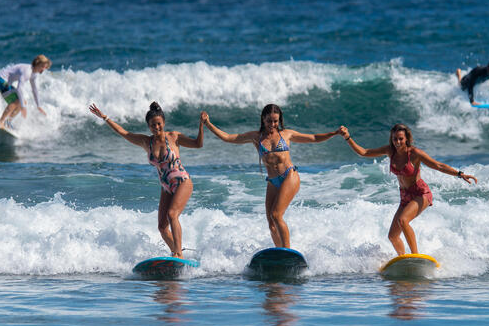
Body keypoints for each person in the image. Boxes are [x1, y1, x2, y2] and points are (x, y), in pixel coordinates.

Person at [201, 104, 341, 249]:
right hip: (273, 181)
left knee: (276, 215)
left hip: (289, 176)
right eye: (269, 121)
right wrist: (208, 124)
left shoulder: (286, 134)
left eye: (276, 121)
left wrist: (334, 133)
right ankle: (280, 252)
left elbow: (313, 137)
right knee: (271, 223)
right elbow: (229, 138)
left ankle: (287, 251)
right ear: (263, 119)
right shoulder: (256, 137)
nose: (272, 125)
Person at [339, 123, 477, 255]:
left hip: (421, 193)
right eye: (395, 139)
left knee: (403, 220)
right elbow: (364, 152)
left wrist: (459, 174)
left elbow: (438, 165)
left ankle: (415, 256)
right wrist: (347, 138)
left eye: (401, 139)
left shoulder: (415, 153)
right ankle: (402, 259)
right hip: (405, 197)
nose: (397, 142)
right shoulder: (389, 151)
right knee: (393, 236)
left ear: (406, 139)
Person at [89, 102, 204, 259]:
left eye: (159, 124)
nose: (156, 127)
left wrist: (201, 125)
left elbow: (198, 144)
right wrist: (105, 117)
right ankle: (177, 253)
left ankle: (178, 255)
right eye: (152, 125)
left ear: (163, 123)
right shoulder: (146, 142)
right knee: (162, 228)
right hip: (166, 187)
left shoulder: (174, 137)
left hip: (182, 181)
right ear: (148, 126)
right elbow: (124, 132)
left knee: (172, 215)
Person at [0, 55, 51, 128]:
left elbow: (34, 90)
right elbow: (19, 89)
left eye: (45, 67)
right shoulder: (27, 71)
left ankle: (7, 122)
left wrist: (38, 106)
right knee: (18, 101)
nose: (43, 69)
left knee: (22, 102)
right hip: (0, 80)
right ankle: (0, 122)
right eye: (42, 66)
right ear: (37, 63)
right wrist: (23, 107)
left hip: (5, 83)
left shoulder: (34, 74)